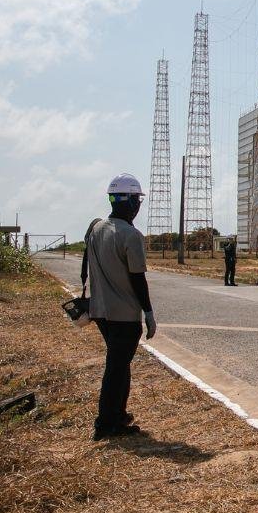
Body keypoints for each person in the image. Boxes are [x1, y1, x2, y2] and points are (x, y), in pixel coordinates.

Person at [84, 173, 156, 440]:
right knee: (116, 367)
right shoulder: (131, 235)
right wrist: (148, 312)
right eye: (137, 200)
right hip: (124, 315)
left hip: (100, 311)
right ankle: (106, 422)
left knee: (120, 364)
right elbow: (138, 279)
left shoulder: (96, 229)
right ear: (130, 202)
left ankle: (118, 415)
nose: (138, 206)